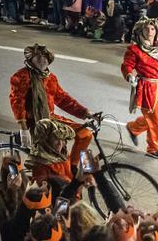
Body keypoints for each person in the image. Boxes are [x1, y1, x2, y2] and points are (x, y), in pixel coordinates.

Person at [7, 44, 98, 174]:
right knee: (54, 157)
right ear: (30, 59)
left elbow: (62, 98)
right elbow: (17, 101)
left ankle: (73, 167)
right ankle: (65, 174)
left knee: (85, 134)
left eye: (45, 57)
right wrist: (23, 126)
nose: (42, 60)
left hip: (51, 118)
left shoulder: (50, 77)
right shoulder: (22, 76)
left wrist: (85, 112)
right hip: (36, 123)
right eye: (38, 57)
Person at [121, 17, 158, 158]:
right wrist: (129, 75)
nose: (150, 31)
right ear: (141, 31)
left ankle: (133, 128)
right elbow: (127, 65)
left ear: (157, 30)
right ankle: (153, 148)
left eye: (152, 28)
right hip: (147, 87)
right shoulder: (135, 49)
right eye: (146, 28)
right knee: (155, 118)